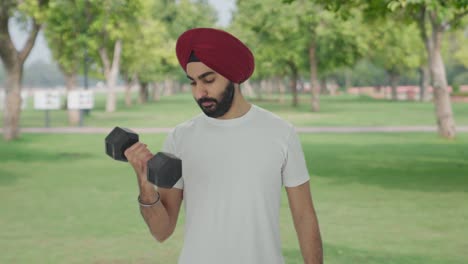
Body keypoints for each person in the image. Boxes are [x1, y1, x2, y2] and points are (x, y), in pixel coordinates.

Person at [124, 28, 323, 264]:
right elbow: (161, 231)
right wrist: (146, 186)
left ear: (233, 76)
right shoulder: (180, 138)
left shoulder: (281, 133)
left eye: (208, 80)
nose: (200, 92)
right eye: (193, 83)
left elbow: (304, 217)